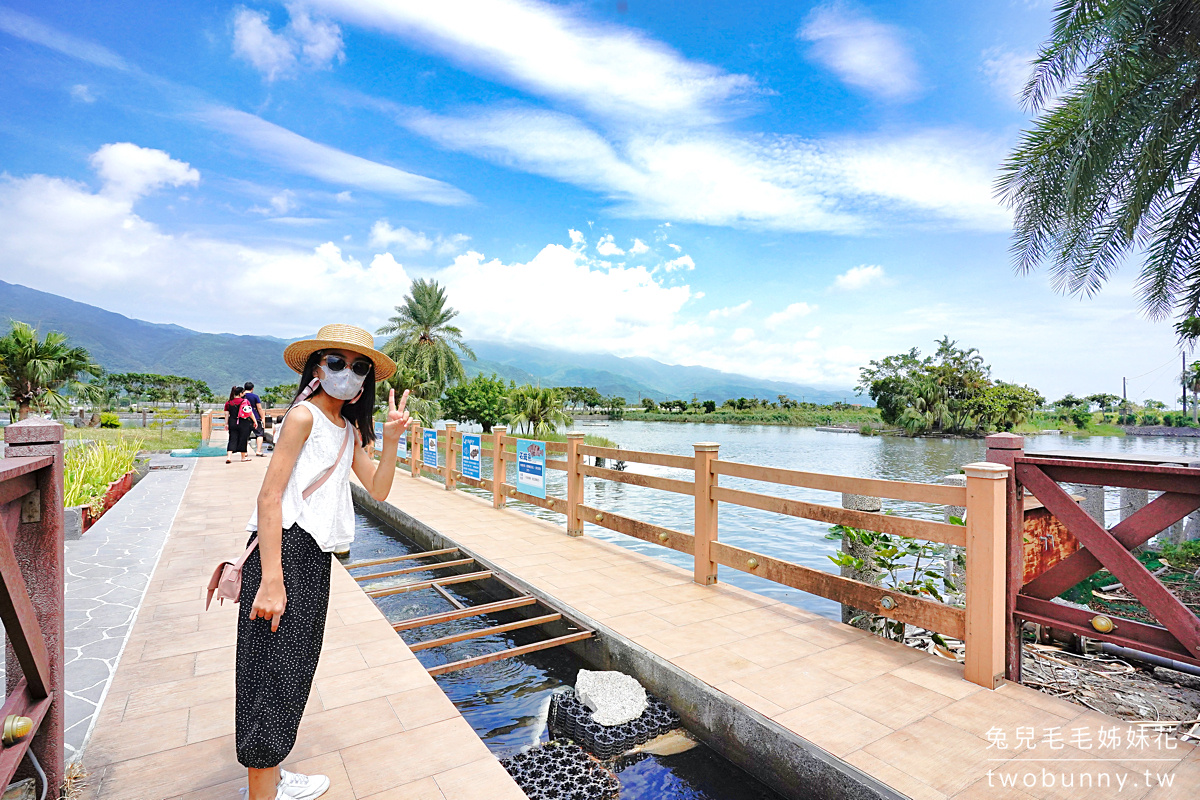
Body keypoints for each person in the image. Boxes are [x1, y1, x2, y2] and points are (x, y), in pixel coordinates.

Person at [238, 323, 408, 800]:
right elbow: (269, 497)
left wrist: (391, 440)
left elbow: (378, 488)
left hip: (313, 557)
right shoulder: (303, 418)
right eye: (336, 362)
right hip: (285, 553)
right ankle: (261, 792)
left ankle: (270, 776)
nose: (347, 374)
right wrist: (272, 581)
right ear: (317, 367)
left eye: (358, 368)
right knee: (271, 674)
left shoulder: (347, 428)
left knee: (292, 670)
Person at [225, 386, 255, 464]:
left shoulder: (228, 403)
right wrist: (255, 421)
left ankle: (229, 457)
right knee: (243, 439)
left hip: (232, 422)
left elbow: (226, 414)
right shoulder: (245, 401)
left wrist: (226, 424)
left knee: (232, 439)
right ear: (241, 393)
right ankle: (243, 457)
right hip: (243, 422)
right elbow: (250, 413)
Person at [244, 381, 267, 457]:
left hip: (244, 417)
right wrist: (263, 418)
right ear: (252, 388)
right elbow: (259, 408)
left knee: (245, 435)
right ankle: (258, 451)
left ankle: (245, 452)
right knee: (259, 434)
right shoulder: (255, 396)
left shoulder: (242, 396)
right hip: (255, 417)